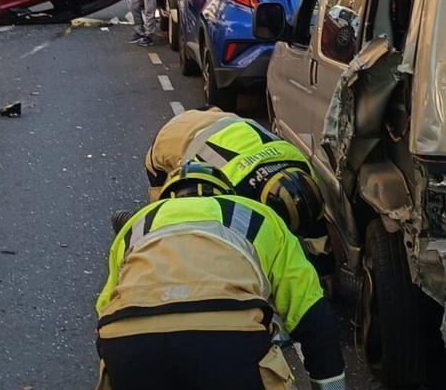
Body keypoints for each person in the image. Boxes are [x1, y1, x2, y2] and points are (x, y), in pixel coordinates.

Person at [97, 164, 381, 390]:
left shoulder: (136, 225)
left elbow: (105, 310)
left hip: (128, 340)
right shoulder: (257, 215)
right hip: (224, 338)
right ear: (224, 191)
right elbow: (313, 321)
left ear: (168, 195)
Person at [132, 108, 335, 288]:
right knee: (168, 220)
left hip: (227, 120)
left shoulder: (301, 166)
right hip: (173, 136)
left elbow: (316, 228)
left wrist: (326, 273)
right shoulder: (229, 192)